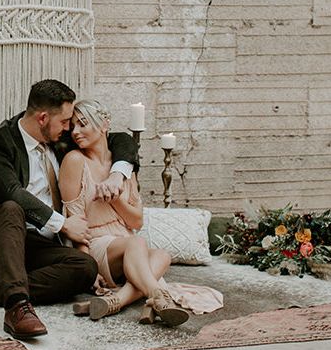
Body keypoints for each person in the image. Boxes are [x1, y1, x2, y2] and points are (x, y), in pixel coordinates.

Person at [0, 79, 139, 340]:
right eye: (65, 122)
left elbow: (121, 140)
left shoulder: (59, 140)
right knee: (11, 208)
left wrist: (118, 174)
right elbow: (10, 192)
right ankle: (17, 307)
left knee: (85, 268)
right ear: (42, 118)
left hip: (37, 246)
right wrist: (63, 224)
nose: (69, 129)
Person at [60, 99, 222, 324]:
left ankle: (115, 302)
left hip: (126, 243)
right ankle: (158, 296)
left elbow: (136, 221)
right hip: (96, 244)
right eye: (73, 127)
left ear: (104, 125)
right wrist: (87, 269)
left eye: (83, 124)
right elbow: (74, 221)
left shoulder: (123, 167)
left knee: (162, 255)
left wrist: (115, 199)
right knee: (137, 243)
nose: (76, 132)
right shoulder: (74, 160)